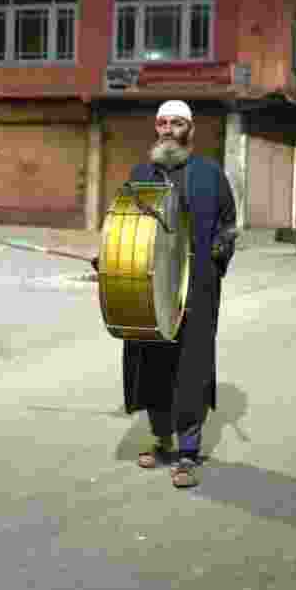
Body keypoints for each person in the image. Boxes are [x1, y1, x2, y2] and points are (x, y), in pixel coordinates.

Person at [93, 99, 237, 488]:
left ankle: (188, 453)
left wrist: (214, 261)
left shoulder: (210, 174)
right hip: (150, 292)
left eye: (177, 122)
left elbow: (228, 224)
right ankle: (161, 440)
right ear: (156, 128)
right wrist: (110, 260)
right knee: (152, 365)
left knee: (191, 368)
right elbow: (125, 228)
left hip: (198, 289)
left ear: (189, 129)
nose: (168, 128)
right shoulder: (141, 175)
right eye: (162, 122)